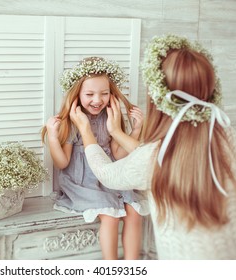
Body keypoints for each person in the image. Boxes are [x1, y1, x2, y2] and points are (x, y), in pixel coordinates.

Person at [69, 35, 236, 259]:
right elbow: (150, 158)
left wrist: (85, 130)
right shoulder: (226, 133)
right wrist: (116, 132)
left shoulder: (154, 155)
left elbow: (109, 174)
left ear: (157, 97)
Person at [41, 57, 149, 260]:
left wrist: (136, 129)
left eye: (104, 94)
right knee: (110, 216)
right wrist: (53, 137)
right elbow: (62, 163)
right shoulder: (74, 121)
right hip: (83, 183)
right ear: (77, 94)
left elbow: (118, 154)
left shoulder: (111, 116)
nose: (97, 100)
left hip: (110, 175)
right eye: (90, 94)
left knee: (134, 212)